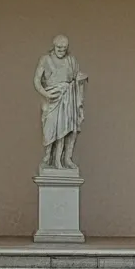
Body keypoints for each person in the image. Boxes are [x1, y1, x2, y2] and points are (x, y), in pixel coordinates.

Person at [34, 36, 86, 171]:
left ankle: (65, 159)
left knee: (68, 129)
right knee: (51, 129)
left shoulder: (71, 60)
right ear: (54, 46)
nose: (61, 51)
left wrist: (80, 79)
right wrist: (46, 94)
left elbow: (75, 76)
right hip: (52, 98)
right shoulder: (46, 59)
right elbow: (37, 81)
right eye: (59, 48)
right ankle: (48, 157)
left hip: (68, 98)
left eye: (64, 48)